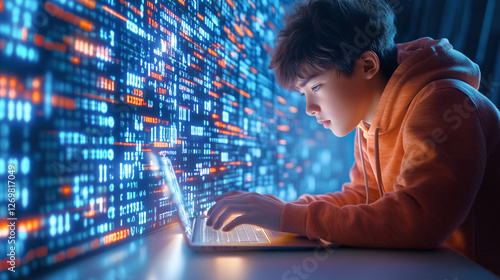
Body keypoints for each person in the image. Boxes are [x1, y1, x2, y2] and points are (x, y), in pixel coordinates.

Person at [206, 0, 500, 275]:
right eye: (303, 94)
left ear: (367, 66)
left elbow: (419, 221)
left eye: (317, 87)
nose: (309, 108)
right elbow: (362, 198)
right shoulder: (369, 121)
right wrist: (284, 210)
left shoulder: (444, 104)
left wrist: (287, 216)